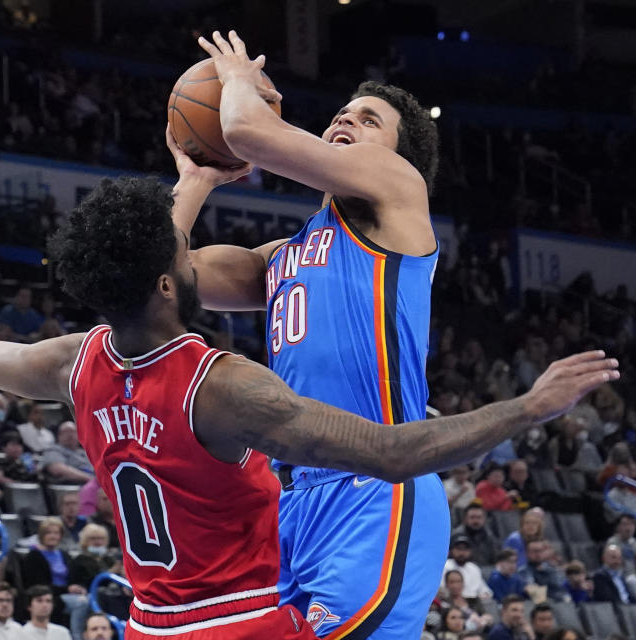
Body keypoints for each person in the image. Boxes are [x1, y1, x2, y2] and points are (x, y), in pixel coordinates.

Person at [0, 178, 617, 638]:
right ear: (169, 286)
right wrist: (528, 405)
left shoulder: (74, 361)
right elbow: (393, 454)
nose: (194, 252)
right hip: (242, 624)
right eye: (184, 252)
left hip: (148, 623)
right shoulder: (225, 388)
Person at [182, 29, 495, 638]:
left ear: (396, 155)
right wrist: (194, 182)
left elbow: (248, 132)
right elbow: (160, 281)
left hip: (374, 487)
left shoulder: (398, 187)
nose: (344, 120)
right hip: (292, 500)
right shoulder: (280, 257)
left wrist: (240, 79)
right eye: (341, 113)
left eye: (368, 119)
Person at [443, 535, 493, 600]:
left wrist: (485, 595)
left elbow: (485, 590)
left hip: (473, 603)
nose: (461, 553)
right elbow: (441, 589)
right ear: (451, 550)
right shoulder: (445, 566)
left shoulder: (474, 568)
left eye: (465, 549)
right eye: (458, 548)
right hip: (451, 601)